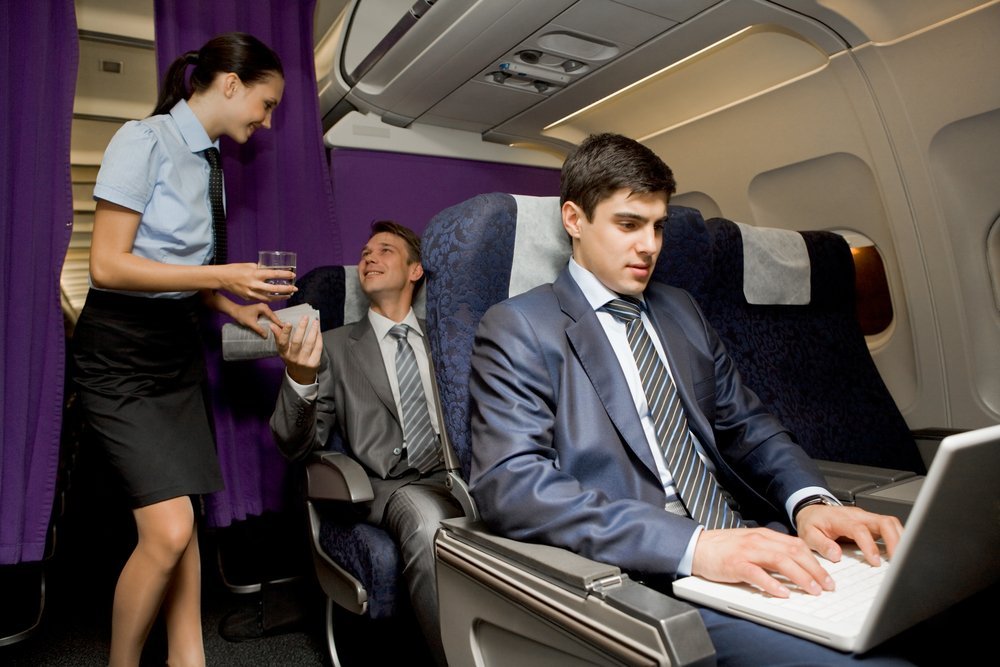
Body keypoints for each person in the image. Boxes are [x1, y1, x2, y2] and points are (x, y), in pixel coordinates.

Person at [468, 133, 911, 665]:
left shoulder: (680, 309)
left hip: (751, 534)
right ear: (574, 220)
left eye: (659, 226)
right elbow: (512, 485)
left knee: (926, 602)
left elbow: (750, 426)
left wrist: (811, 502)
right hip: (650, 573)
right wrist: (694, 546)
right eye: (629, 224)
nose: (650, 245)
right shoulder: (519, 326)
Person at [71, 33, 292, 667]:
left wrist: (232, 305)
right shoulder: (143, 141)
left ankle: (186, 656)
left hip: (174, 352)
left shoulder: (207, 163)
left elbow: (174, 272)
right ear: (229, 83)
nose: (267, 118)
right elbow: (110, 266)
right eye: (266, 102)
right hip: (119, 352)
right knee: (167, 531)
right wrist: (221, 277)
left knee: (184, 516)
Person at [270, 220, 462, 666]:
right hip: (391, 487)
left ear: (416, 271)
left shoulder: (448, 342)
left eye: (386, 251)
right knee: (425, 517)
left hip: (460, 475)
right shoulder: (334, 346)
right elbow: (295, 445)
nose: (369, 258)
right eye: (364, 253)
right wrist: (300, 376)